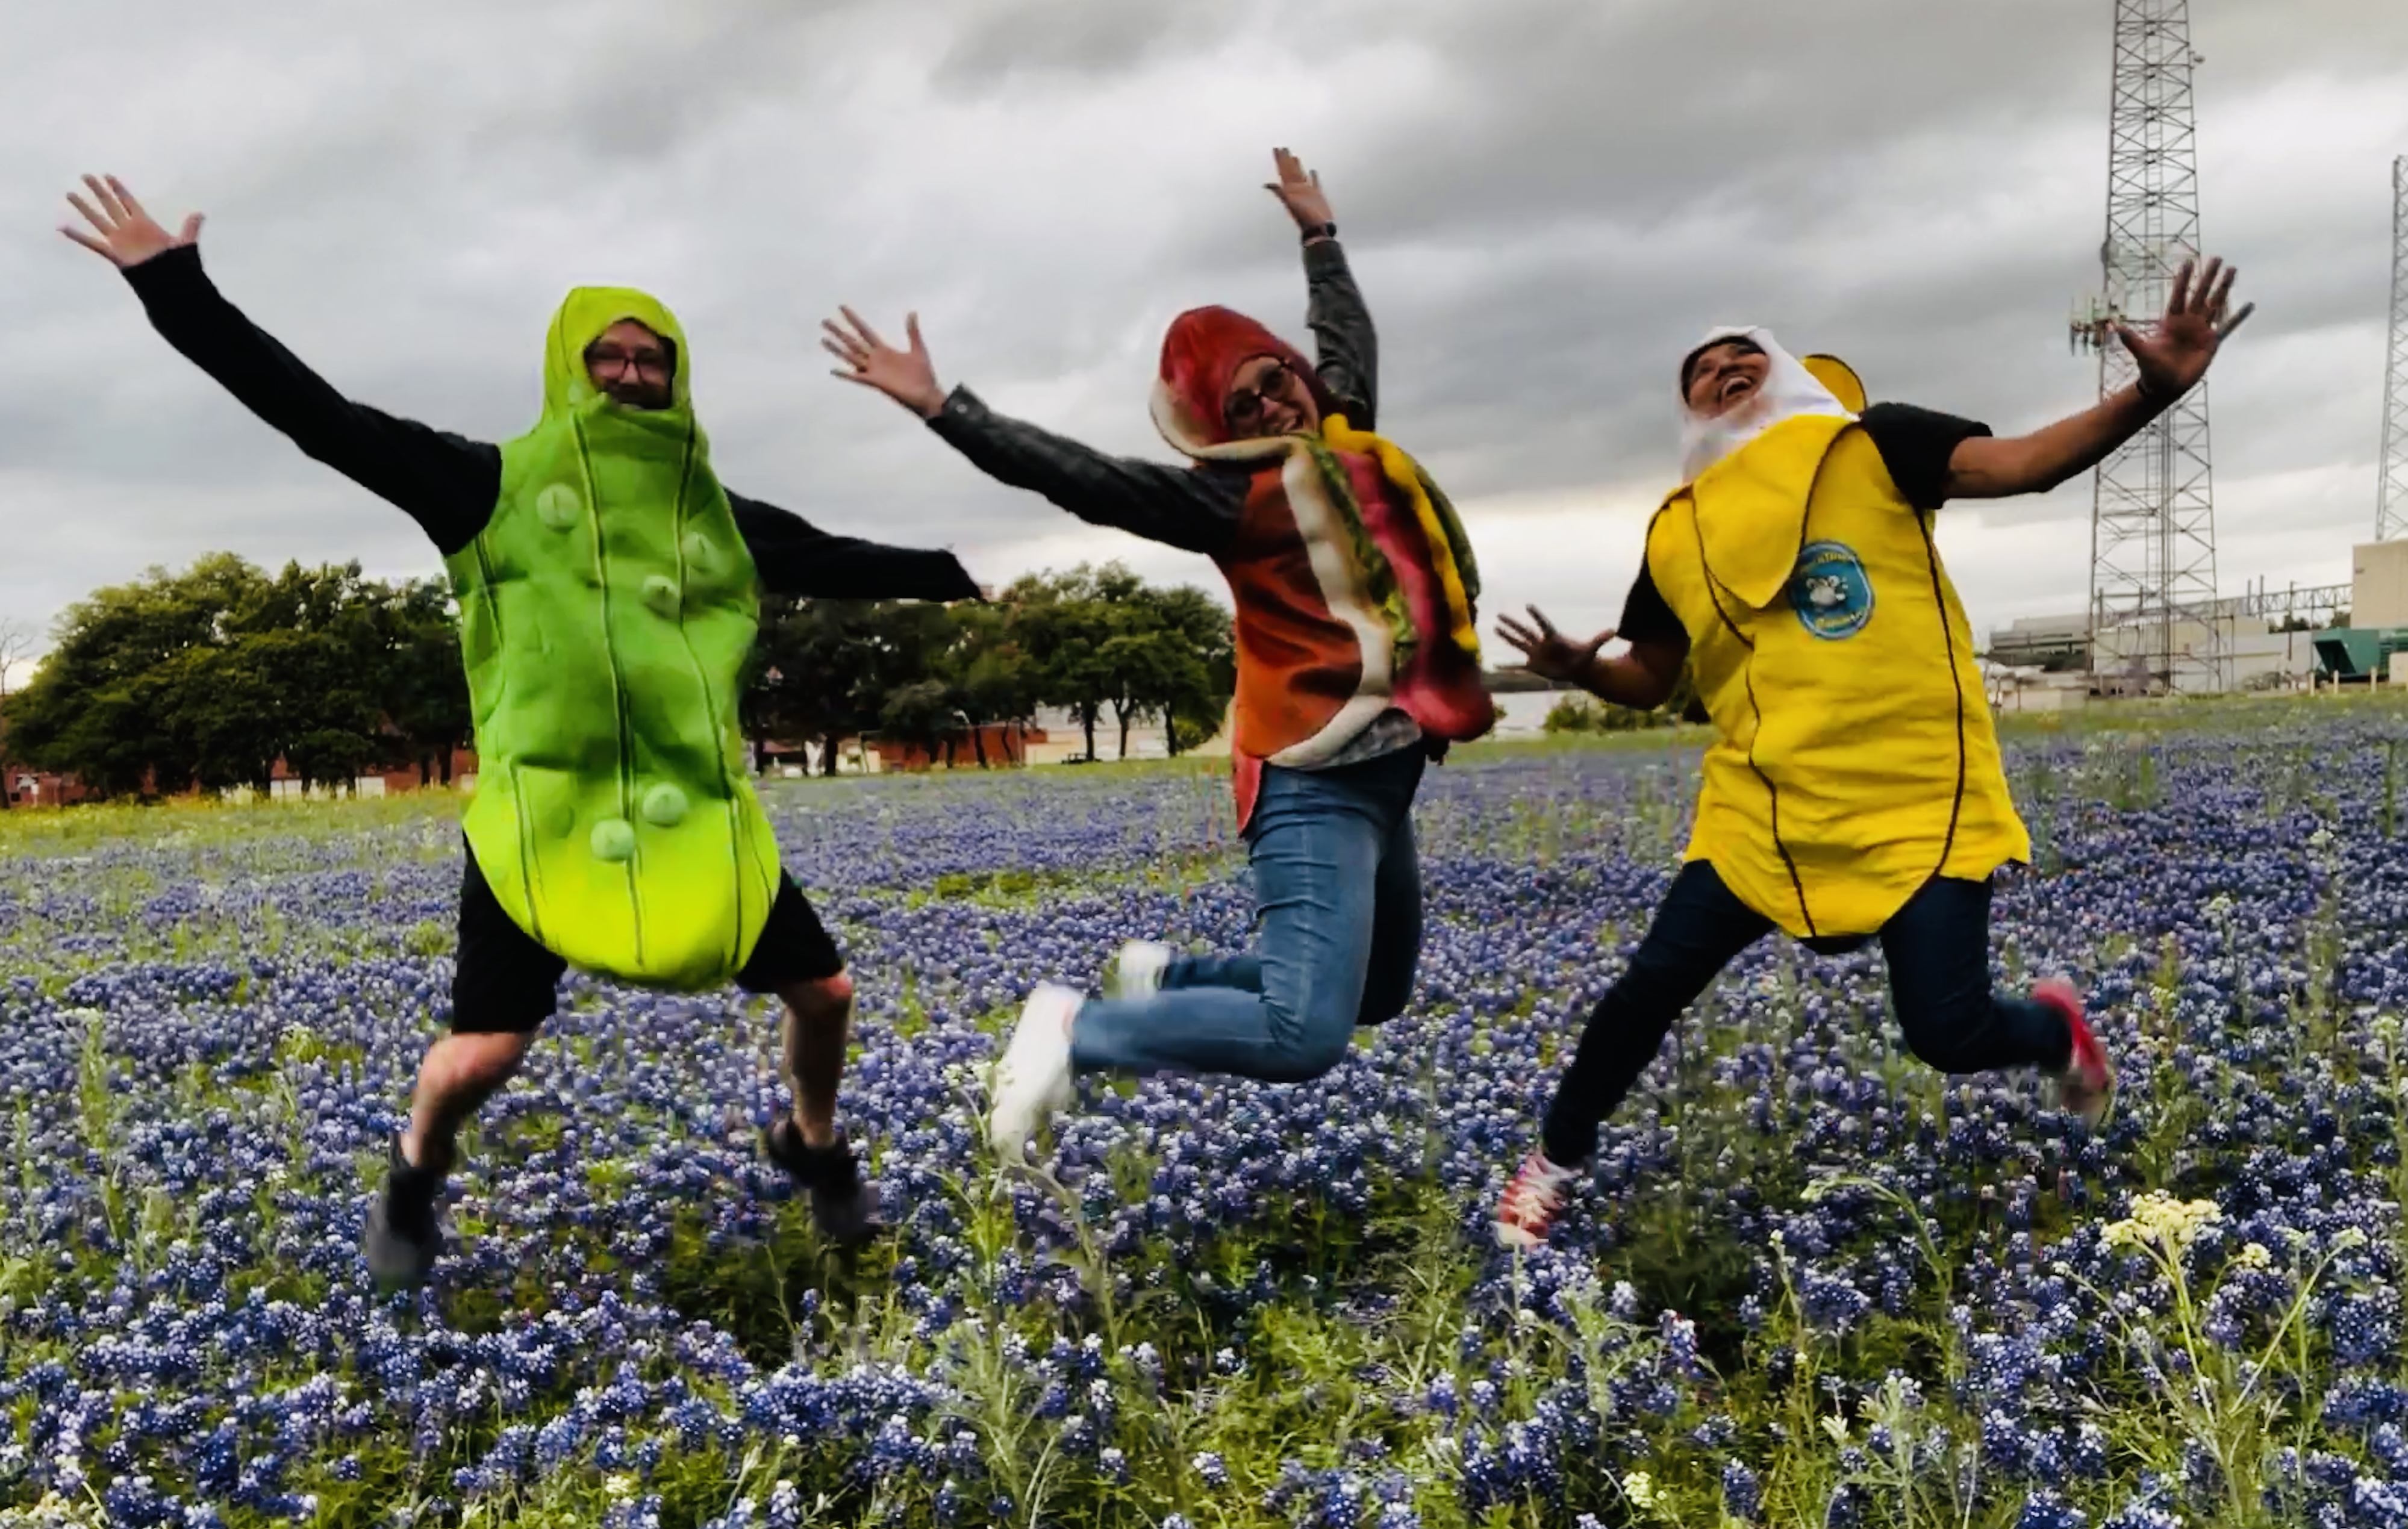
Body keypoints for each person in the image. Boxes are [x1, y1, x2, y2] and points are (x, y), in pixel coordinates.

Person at [63, 175, 979, 1287]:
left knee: (825, 992)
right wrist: (176, 290)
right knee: (488, 1051)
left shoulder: (710, 512)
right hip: (539, 813)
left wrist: (967, 580)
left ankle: (815, 1142)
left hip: (692, 805)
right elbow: (315, 416)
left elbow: (833, 556)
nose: (632, 377)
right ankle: (413, 1170)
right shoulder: (483, 484)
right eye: (611, 357)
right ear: (570, 366)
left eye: (653, 361)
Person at [1490, 258, 2253, 1250]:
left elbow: (2025, 463)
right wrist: (1579, 672)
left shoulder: (1875, 441)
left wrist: (2150, 390)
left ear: (1784, 372)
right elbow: (1652, 673)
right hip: (1762, 807)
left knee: (1949, 1034)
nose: (1723, 371)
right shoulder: (1677, 533)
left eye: (1743, 358)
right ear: (1684, 408)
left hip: (1914, 791)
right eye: (1701, 370)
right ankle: (1552, 1162)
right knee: (1646, 992)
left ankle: (2055, 1029)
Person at [821, 149, 1494, 1160]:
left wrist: (1320, 233)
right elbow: (1081, 477)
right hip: (1315, 778)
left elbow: (1346, 335)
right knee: (1300, 1032)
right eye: (1243, 404)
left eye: (1277, 382)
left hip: (1390, 770)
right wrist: (944, 408)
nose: (1274, 404)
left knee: (1380, 993)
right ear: (1209, 430)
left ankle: (1164, 981)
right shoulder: (1225, 499)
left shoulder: (1348, 438)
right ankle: (1075, 1030)